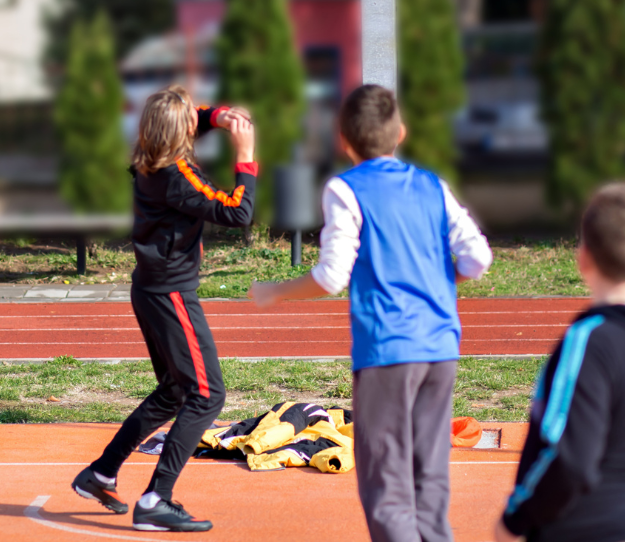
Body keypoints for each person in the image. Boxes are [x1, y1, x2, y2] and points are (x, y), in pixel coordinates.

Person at [249, 83, 492, 542]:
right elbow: (478, 258)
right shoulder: (432, 186)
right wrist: (437, 282)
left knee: (386, 483)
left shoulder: (345, 188)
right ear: (401, 131)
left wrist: (276, 291)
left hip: (386, 349)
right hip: (440, 346)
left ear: (343, 139)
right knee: (429, 475)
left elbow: (331, 276)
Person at [72, 86, 257, 532]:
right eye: (194, 118)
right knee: (207, 394)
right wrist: (246, 153)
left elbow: (190, 112)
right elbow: (238, 212)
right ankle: (157, 498)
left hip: (152, 289)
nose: (199, 119)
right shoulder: (177, 176)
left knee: (175, 392)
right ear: (180, 132)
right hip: (171, 295)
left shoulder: (148, 156)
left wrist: (223, 115)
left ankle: (100, 473)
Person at [496, 182, 625, 542]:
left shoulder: (590, 340)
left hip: (574, 530)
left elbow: (569, 458)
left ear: (583, 257)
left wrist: (515, 520)